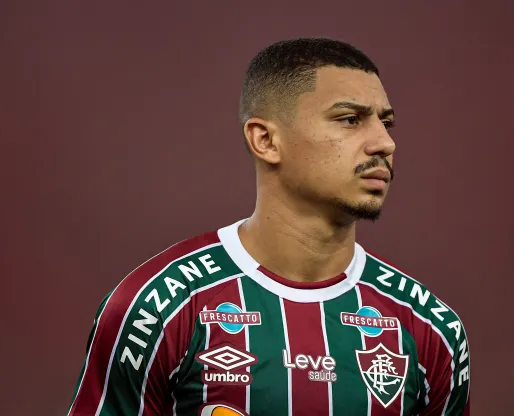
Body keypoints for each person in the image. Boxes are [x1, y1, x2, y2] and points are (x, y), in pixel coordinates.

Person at [67, 37, 470, 416]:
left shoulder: (429, 327)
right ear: (265, 141)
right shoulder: (157, 308)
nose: (384, 143)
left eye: (387, 123)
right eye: (350, 120)